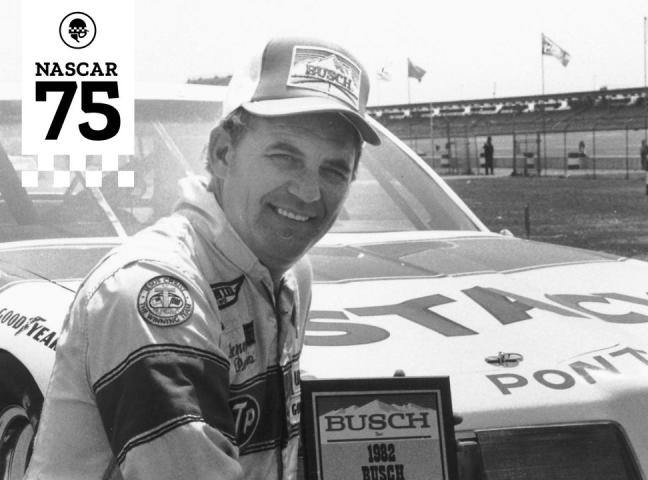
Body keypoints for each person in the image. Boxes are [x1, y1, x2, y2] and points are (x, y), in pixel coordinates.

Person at [25, 36, 381, 480]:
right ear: (222, 153)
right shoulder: (153, 290)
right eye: (285, 157)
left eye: (333, 170)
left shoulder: (288, 275)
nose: (310, 193)